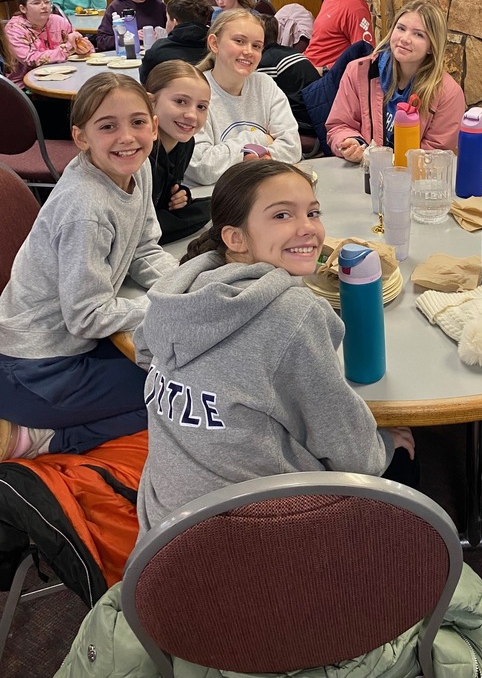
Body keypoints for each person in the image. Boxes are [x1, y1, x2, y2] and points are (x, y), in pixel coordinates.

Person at [135, 159, 416, 532]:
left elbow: (143, 351)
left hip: (164, 532)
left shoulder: (177, 292)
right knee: (407, 459)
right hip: (257, 538)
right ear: (235, 238)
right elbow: (354, 454)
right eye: (282, 215)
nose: (308, 228)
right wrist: (385, 443)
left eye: (313, 212)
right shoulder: (295, 314)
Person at [0, 74, 178, 462]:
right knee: (175, 396)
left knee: (178, 363)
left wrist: (184, 286)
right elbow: (87, 316)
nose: (127, 137)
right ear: (81, 137)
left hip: (72, 343)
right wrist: (167, 304)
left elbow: (144, 250)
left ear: (152, 122)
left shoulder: (137, 168)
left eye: (137, 122)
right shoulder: (86, 208)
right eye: (108, 126)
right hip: (34, 367)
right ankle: (40, 437)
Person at [326, 0, 465, 161]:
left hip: (414, 181)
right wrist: (351, 143)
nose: (405, 38)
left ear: (431, 47)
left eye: (418, 34)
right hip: (362, 174)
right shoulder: (358, 71)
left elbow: (437, 153)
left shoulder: (448, 93)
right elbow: (339, 125)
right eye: (401, 28)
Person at [184, 9, 302, 186]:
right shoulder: (195, 92)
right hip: (214, 197)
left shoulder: (265, 85)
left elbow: (292, 148)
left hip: (260, 191)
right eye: (239, 41)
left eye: (256, 46)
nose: (248, 51)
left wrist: (241, 158)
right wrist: (261, 139)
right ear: (214, 43)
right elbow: (201, 167)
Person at [145, 62, 212, 244]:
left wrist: (179, 197)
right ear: (151, 102)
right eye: (180, 102)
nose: (192, 115)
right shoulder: (137, 152)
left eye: (201, 107)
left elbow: (166, 190)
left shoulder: (185, 143)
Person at [4, 0, 92, 87]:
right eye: (36, 3)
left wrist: (84, 48)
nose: (44, 6)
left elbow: (83, 46)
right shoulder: (14, 29)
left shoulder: (58, 21)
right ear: (23, 9)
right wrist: (69, 47)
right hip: (27, 85)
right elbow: (32, 60)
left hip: (64, 77)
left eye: (47, 2)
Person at [257, 12, 320, 123]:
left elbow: (262, 102)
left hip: (302, 122)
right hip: (316, 113)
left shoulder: (266, 61)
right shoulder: (290, 52)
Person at [139, 0, 210, 84]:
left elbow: (144, 80)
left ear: (175, 23)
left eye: (167, 19)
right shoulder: (216, 48)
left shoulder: (159, 50)